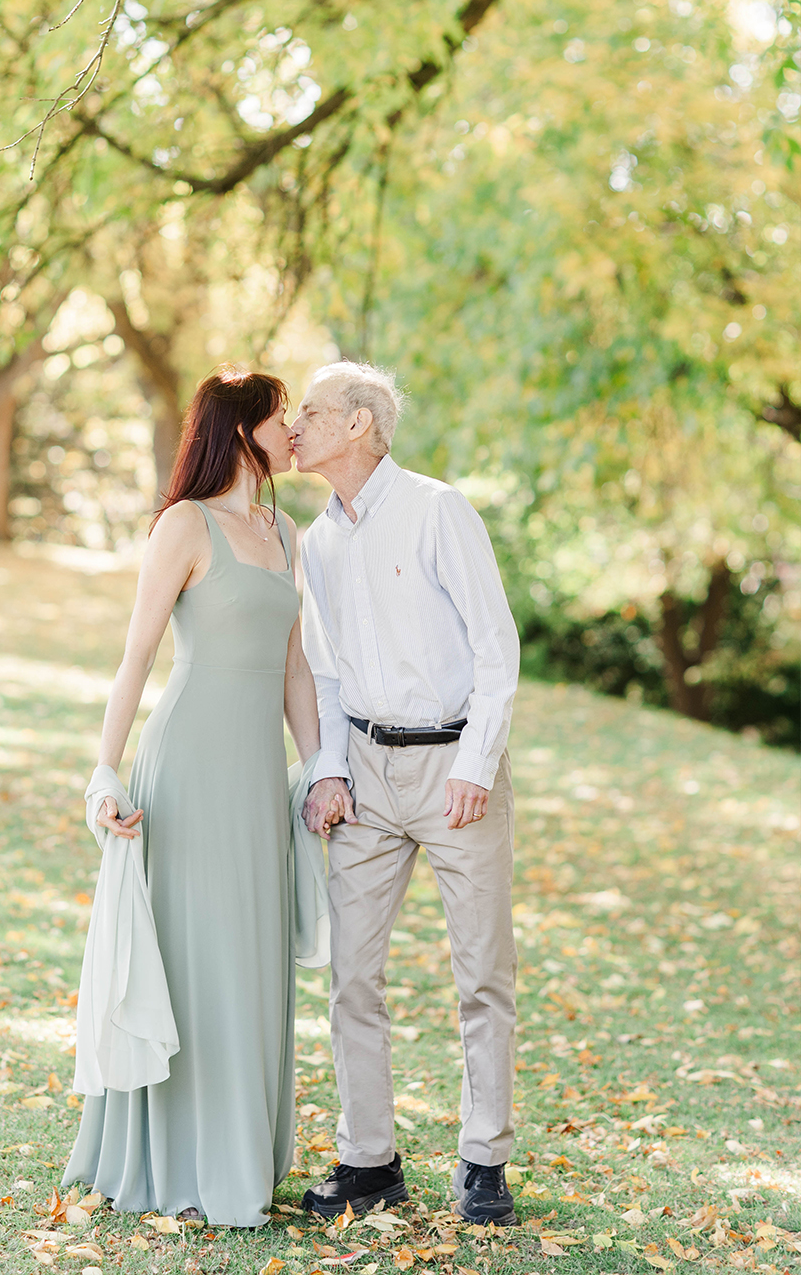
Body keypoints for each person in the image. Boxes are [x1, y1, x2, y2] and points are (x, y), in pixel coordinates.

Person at [63, 366, 323, 1228]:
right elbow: (137, 655)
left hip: (253, 780)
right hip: (184, 767)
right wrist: (104, 772)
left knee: (248, 959)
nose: (294, 431)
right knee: (192, 959)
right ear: (242, 430)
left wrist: (319, 768)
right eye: (283, 418)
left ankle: (241, 1157)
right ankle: (176, 1159)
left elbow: (294, 669)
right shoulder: (185, 524)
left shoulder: (286, 531)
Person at [290, 361, 522, 1226]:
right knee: (352, 975)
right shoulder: (319, 540)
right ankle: (369, 1160)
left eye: (309, 413)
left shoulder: (436, 509)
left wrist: (475, 765)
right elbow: (325, 666)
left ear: (359, 424)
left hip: (459, 769)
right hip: (368, 781)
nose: (293, 428)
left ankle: (484, 1161)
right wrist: (329, 770)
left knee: (482, 976)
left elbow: (497, 648)